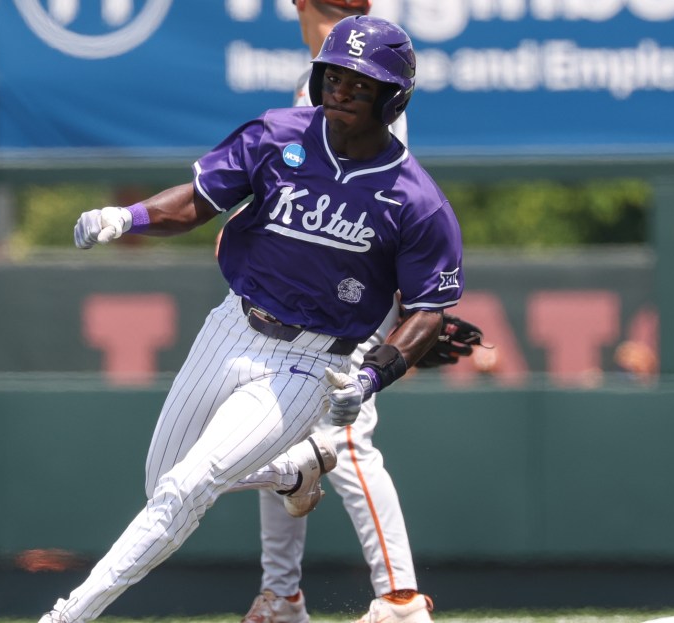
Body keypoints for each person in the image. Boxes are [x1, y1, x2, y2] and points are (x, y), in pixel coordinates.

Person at [41, 15, 462, 623]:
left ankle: (69, 614)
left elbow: (428, 311)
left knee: (187, 488)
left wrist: (372, 377)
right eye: (334, 78)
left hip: (312, 358)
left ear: (392, 98)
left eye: (360, 84)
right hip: (232, 327)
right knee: (162, 484)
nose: (341, 91)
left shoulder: (416, 198)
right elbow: (199, 200)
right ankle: (291, 470)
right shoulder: (277, 133)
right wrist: (127, 218)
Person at [241, 2, 441, 622]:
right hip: (324, 283)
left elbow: (378, 195)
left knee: (345, 438)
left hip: (344, 290)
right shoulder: (352, 76)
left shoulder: (348, 81)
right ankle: (281, 595)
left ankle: (400, 598)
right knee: (277, 427)